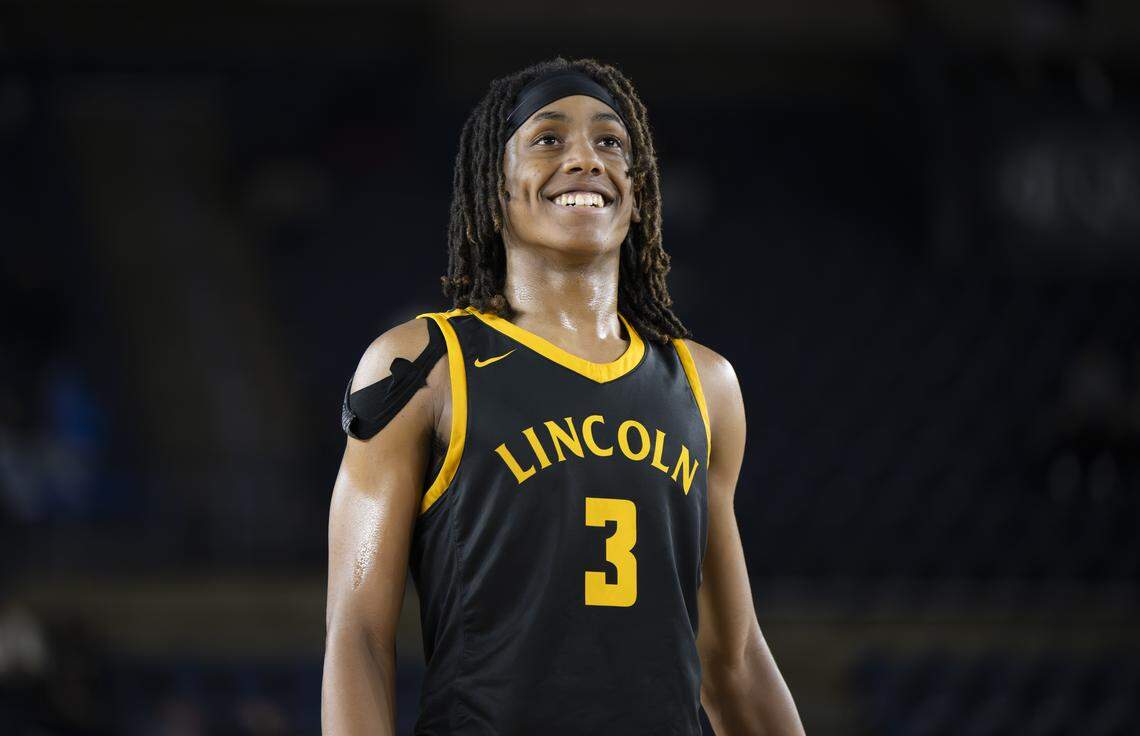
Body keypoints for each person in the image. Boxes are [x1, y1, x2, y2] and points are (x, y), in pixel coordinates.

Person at [322, 56, 805, 736]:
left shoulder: (706, 385)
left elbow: (734, 661)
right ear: (496, 186)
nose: (584, 157)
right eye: (548, 138)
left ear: (638, 193)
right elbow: (359, 636)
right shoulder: (422, 365)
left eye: (610, 142)